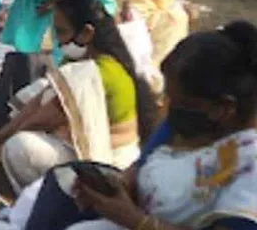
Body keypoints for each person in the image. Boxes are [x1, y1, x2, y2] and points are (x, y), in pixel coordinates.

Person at [0, 0, 155, 201]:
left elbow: (43, 118)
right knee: (30, 100)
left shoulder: (101, 71)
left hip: (109, 161)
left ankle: (43, 204)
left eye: (61, 32)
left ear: (86, 33)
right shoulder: (76, 62)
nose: (57, 40)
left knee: (20, 147)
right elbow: (37, 104)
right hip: (79, 148)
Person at [72, 21, 257, 230]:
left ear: (224, 108)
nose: (165, 105)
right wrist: (117, 186)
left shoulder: (249, 161)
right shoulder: (183, 124)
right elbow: (142, 165)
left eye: (178, 101)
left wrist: (137, 221)